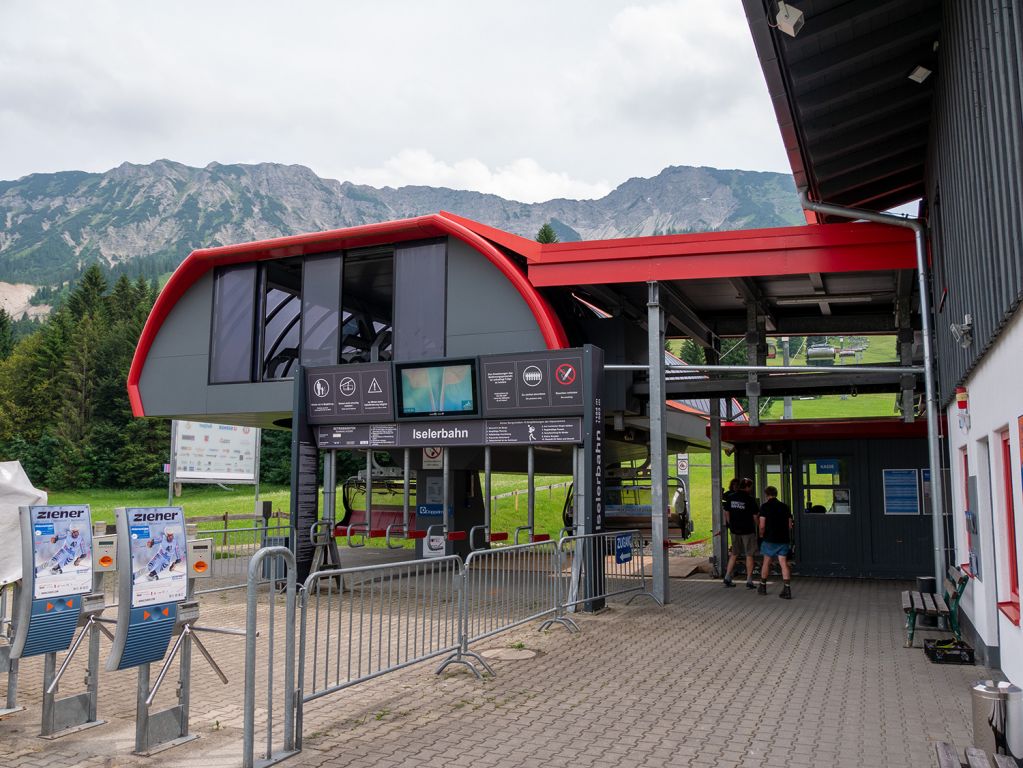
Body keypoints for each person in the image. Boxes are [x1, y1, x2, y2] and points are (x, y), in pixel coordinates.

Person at [723, 477, 759, 588]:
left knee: (734, 554)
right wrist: (760, 528)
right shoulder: (750, 499)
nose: (751, 489)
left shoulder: (731, 497)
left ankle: (727, 577)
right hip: (748, 531)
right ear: (747, 487)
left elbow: (727, 512)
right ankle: (749, 580)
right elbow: (755, 517)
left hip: (734, 530)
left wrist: (731, 525)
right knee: (749, 554)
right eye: (750, 487)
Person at [758, 485, 793, 599]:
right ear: (776, 494)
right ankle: (787, 589)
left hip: (770, 539)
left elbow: (762, 525)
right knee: (783, 563)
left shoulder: (765, 507)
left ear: (766, 495)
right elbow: (789, 525)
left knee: (766, 562)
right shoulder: (785, 507)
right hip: (783, 539)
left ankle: (763, 587)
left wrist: (761, 534)